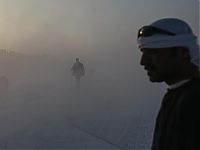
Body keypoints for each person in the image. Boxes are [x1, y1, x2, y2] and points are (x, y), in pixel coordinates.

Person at [137, 18, 199, 150]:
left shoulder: (194, 101)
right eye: (143, 53)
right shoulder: (176, 94)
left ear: (183, 53)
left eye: (153, 52)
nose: (142, 62)